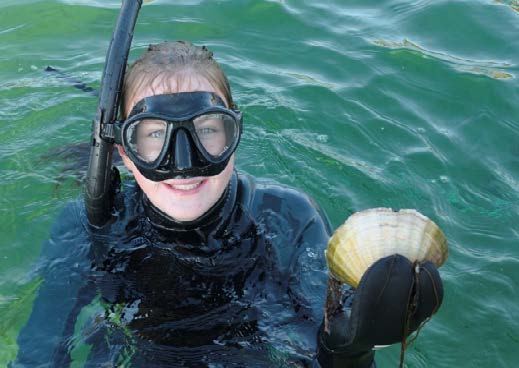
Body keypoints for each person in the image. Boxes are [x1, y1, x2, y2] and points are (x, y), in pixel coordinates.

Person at [12, 41, 443, 367]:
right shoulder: (92, 224)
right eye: (155, 136)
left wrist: (348, 349)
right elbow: (40, 347)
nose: (183, 165)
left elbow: (315, 343)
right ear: (125, 152)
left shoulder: (287, 218)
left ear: (235, 135)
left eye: (207, 129)